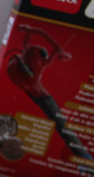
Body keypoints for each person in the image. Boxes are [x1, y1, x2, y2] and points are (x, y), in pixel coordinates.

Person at [5, 25, 92, 160]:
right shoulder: (38, 62)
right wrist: (56, 51)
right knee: (61, 124)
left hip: (37, 92)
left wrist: (30, 31)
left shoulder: (30, 56)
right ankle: (83, 157)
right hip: (39, 93)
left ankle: (83, 157)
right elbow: (37, 47)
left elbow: (27, 41)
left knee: (61, 124)